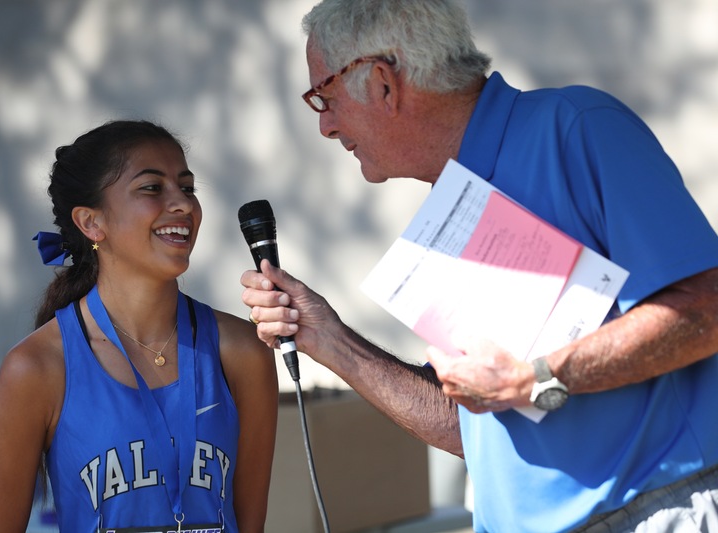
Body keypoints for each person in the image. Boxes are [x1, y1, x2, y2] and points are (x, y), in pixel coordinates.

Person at [240, 1, 718, 531]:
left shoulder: (575, 127)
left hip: (651, 512)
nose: (325, 126)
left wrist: (536, 379)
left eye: (324, 97)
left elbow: (707, 310)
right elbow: (472, 423)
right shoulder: (451, 205)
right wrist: (327, 340)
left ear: (382, 82)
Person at [0, 120, 278, 532]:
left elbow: (250, 524)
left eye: (187, 187)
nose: (183, 204)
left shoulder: (242, 351)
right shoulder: (36, 368)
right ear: (91, 223)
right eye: (152, 188)